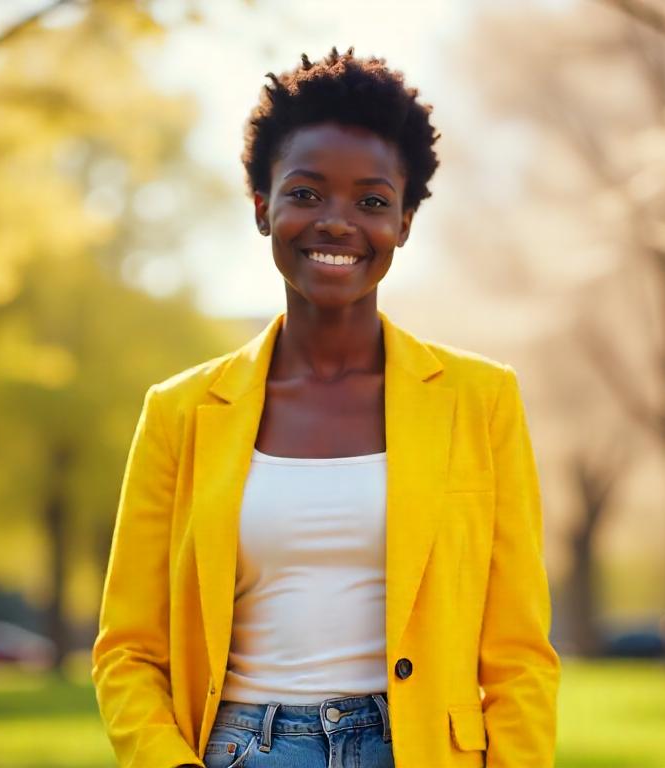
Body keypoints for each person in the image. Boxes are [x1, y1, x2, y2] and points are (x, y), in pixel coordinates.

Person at [92, 48, 559, 768]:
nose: (338, 223)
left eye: (371, 202)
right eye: (306, 194)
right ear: (262, 208)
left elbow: (520, 658)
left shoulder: (481, 401)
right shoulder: (179, 413)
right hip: (243, 750)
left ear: (404, 221)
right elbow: (128, 650)